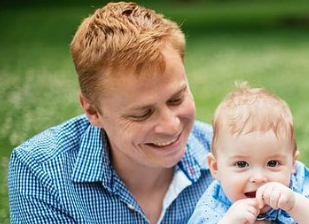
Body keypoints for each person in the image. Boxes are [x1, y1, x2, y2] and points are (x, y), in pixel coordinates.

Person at [8, 2, 213, 223]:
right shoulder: (42, 172)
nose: (171, 126)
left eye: (176, 99)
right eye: (142, 113)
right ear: (93, 111)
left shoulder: (230, 155)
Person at [188, 83, 309, 224]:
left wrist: (295, 204)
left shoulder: (298, 185)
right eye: (241, 164)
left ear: (292, 164)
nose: (259, 178)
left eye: (273, 163)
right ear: (216, 167)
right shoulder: (212, 207)